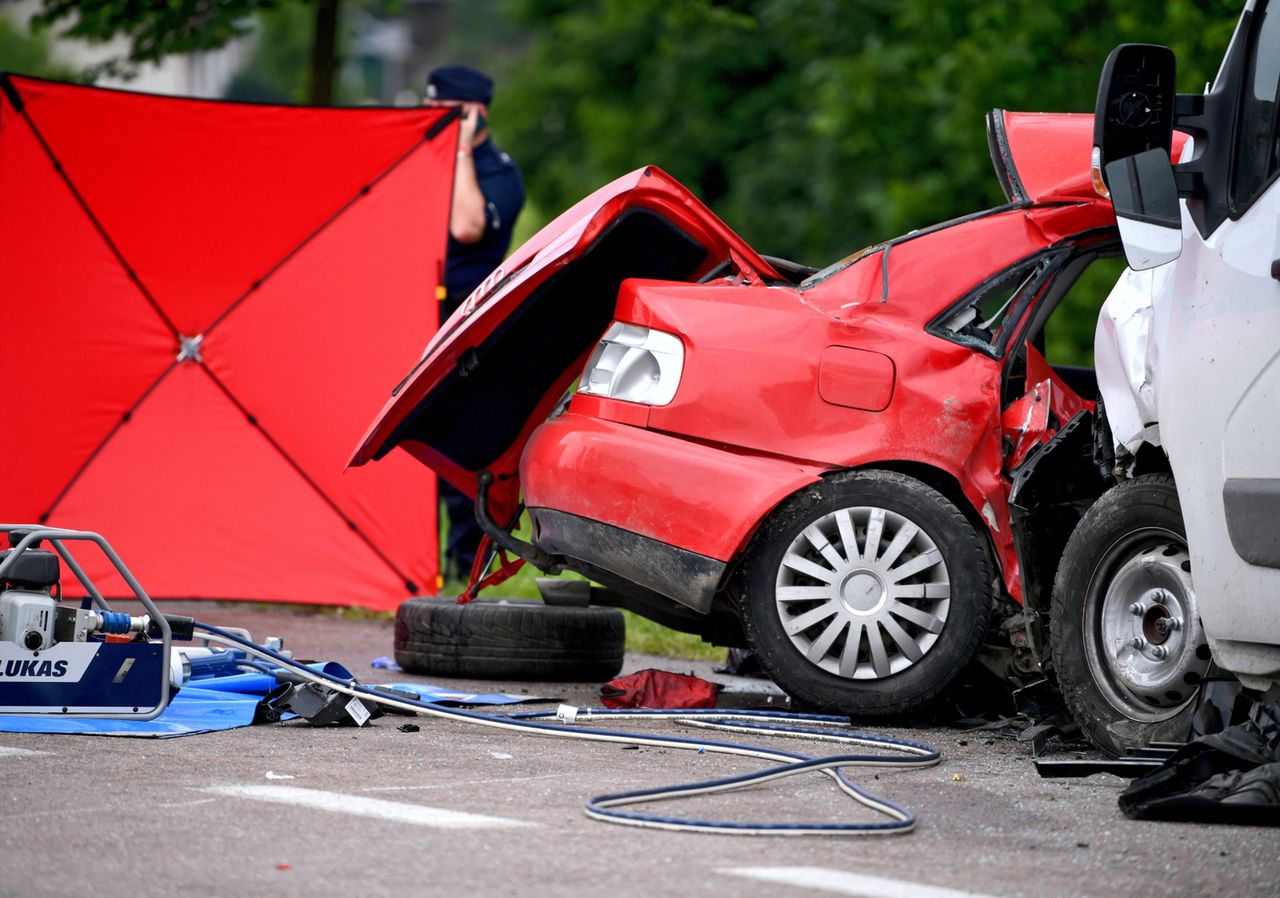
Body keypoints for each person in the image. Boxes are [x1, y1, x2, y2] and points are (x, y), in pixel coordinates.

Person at [424, 64, 525, 581]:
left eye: (445, 109)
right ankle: (421, 562)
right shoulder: (426, 160)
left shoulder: (498, 172)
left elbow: (467, 227)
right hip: (419, 311)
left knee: (456, 445)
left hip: (467, 320)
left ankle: (465, 566)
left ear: (474, 112)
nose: (433, 118)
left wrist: (460, 147)